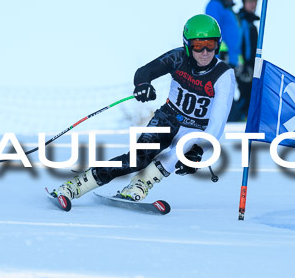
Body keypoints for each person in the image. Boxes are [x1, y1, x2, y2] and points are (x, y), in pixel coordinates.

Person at [51, 14, 236, 208]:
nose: (205, 52)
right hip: (169, 118)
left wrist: (197, 150)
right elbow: (144, 71)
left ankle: (139, 184)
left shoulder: (224, 75)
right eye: (198, 45)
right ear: (187, 45)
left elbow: (217, 123)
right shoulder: (178, 57)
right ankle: (76, 186)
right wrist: (143, 84)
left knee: (179, 153)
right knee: (136, 159)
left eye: (211, 45)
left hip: (197, 130)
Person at [228, 0, 260, 122]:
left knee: (251, 92)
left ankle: (244, 116)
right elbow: (240, 43)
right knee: (246, 92)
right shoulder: (241, 20)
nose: (253, 5)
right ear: (244, 2)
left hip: (251, 64)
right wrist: (244, 64)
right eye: (249, 2)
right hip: (243, 65)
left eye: (254, 2)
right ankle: (237, 117)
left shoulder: (251, 22)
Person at [205, 0, 241, 67]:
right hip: (222, 57)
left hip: (232, 59)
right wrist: (220, 51)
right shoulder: (215, 4)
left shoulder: (228, 8)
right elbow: (212, 30)